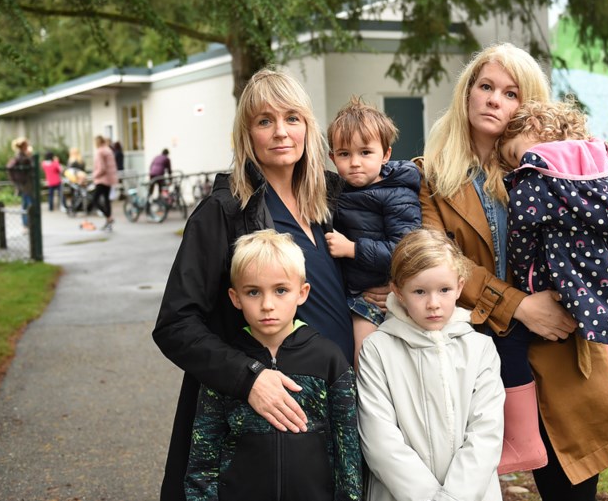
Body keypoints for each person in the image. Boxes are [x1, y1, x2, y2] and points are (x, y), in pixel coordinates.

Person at [417, 42, 608, 501]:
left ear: (530, 106)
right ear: (467, 92)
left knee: (570, 485)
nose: (494, 100)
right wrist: (520, 305)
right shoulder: (431, 177)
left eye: (511, 93)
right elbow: (436, 260)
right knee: (467, 484)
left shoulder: (558, 169)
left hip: (563, 344)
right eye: (485, 87)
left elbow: (604, 238)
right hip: (480, 349)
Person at [153, 67, 353, 501]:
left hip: (331, 400)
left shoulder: (331, 202)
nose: (281, 132)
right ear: (247, 134)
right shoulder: (224, 213)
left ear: (308, 126)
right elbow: (175, 325)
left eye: (292, 118)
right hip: (259, 418)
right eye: (265, 121)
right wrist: (249, 378)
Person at [184, 229, 362, 501]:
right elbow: (203, 457)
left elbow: (347, 451)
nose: (267, 305)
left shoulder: (329, 359)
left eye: (281, 290)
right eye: (253, 292)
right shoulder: (227, 364)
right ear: (235, 298)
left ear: (302, 293)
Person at [356, 228, 504, 501]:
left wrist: (454, 497)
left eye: (444, 290)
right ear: (398, 292)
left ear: (460, 286)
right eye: (420, 291)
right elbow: (379, 438)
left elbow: (486, 432)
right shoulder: (378, 350)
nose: (433, 304)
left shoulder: (480, 349)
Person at [498, 98, 608, 345]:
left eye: (513, 154)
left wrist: (525, 280)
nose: (516, 166)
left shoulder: (534, 183)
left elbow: (521, 238)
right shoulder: (606, 160)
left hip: (567, 285)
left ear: (532, 125)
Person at [324, 97, 422, 367]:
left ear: (386, 154)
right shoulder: (338, 191)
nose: (355, 162)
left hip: (388, 296)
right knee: (363, 358)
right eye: (344, 154)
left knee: (369, 358)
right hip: (355, 293)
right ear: (333, 157)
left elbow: (406, 251)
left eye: (365, 152)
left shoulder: (397, 193)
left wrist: (352, 248)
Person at [91, 135, 118, 231]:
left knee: (95, 200)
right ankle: (108, 222)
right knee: (107, 201)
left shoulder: (100, 152)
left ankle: (109, 217)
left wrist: (94, 175)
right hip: (110, 179)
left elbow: (101, 168)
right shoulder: (108, 150)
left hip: (101, 180)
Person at [6, 136, 34, 230]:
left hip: (26, 184)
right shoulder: (21, 157)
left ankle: (28, 224)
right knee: (28, 204)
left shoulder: (23, 156)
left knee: (27, 204)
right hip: (25, 184)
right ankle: (27, 224)